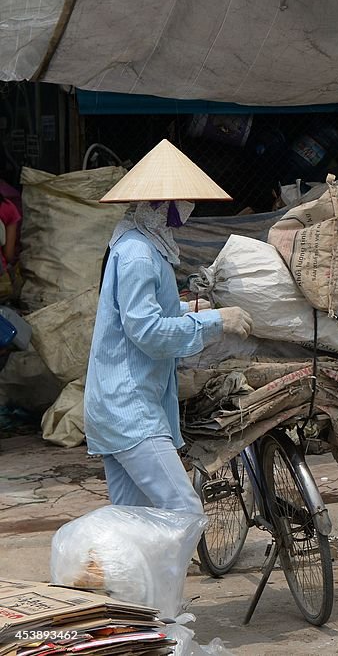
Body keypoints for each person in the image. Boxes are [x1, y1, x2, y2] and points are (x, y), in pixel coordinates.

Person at [84, 139, 253, 516]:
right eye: (182, 201)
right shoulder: (139, 255)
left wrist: (187, 308)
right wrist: (215, 321)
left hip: (119, 404)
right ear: (164, 205)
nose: (188, 209)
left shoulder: (137, 243)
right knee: (184, 511)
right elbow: (147, 332)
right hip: (130, 408)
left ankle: (136, 576)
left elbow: (140, 312)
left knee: (135, 520)